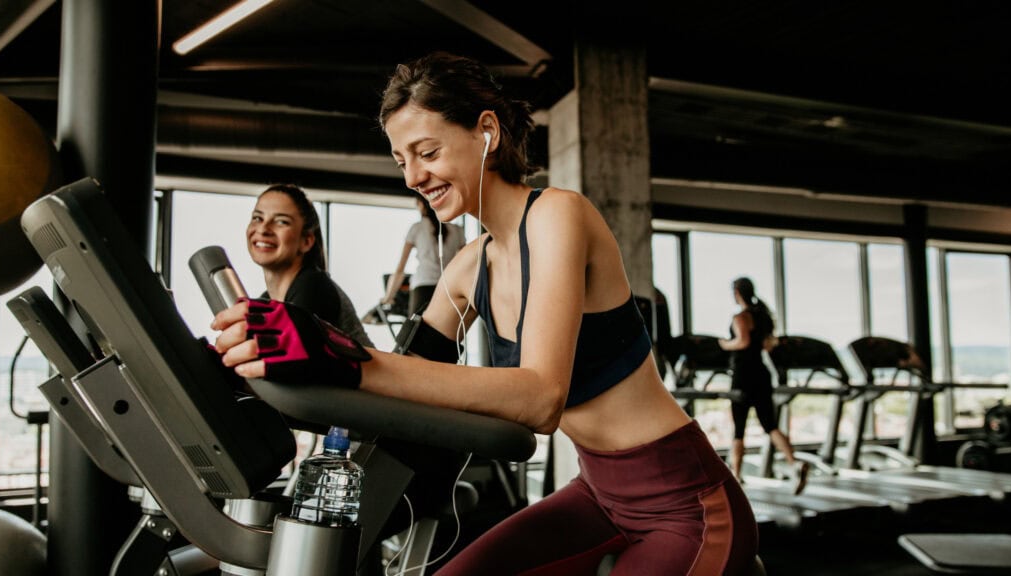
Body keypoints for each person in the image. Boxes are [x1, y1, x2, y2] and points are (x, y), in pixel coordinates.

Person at [215, 52, 758, 575]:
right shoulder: (468, 267)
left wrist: (344, 356)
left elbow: (541, 399)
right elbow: (400, 373)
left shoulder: (557, 215)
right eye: (402, 161)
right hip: (597, 493)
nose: (412, 178)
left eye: (427, 153)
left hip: (685, 505)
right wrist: (252, 362)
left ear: (487, 133)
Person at [246, 183, 372, 347]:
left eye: (281, 222)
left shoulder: (313, 286)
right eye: (257, 218)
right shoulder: (267, 300)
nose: (263, 229)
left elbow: (291, 363)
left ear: (306, 242)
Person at [717, 277, 808, 494]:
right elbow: (768, 345)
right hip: (761, 374)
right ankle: (793, 463)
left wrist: (723, 344)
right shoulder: (763, 316)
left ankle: (736, 478)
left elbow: (743, 341)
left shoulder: (741, 316)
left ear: (737, 293)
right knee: (770, 425)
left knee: (739, 429)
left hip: (742, 376)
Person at [382, 193, 466, 316]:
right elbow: (463, 264)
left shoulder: (417, 228)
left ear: (421, 205)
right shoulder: (457, 230)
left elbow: (400, 269)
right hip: (447, 287)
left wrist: (388, 297)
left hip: (423, 285)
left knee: (415, 332)